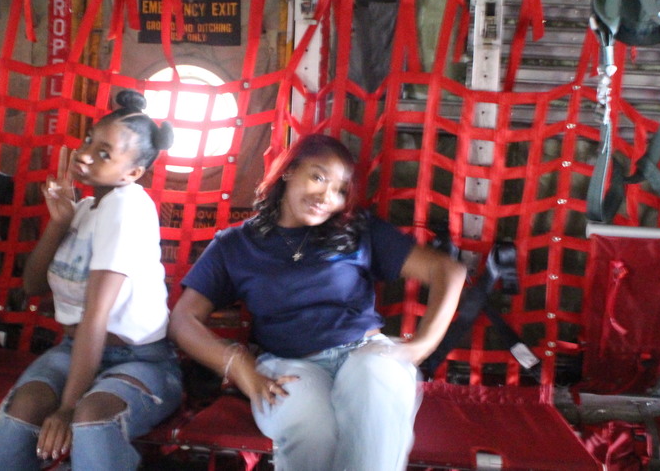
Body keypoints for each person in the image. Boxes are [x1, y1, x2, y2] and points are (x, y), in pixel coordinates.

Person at [168, 133, 467, 471]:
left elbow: (448, 271)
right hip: (287, 364)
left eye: (340, 190)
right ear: (288, 171)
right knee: (312, 430)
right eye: (318, 177)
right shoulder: (236, 244)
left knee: (376, 400)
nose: (327, 197)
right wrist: (240, 368)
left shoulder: (357, 229)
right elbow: (183, 320)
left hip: (364, 352)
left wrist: (423, 344)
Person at [0, 89, 182, 471]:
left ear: (132, 173)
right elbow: (33, 287)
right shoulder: (88, 207)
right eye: (88, 140)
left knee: (91, 417)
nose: (84, 154)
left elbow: (96, 315)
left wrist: (68, 407)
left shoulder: (128, 206)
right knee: (23, 409)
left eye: (104, 153)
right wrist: (60, 222)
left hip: (140, 360)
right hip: (75, 350)